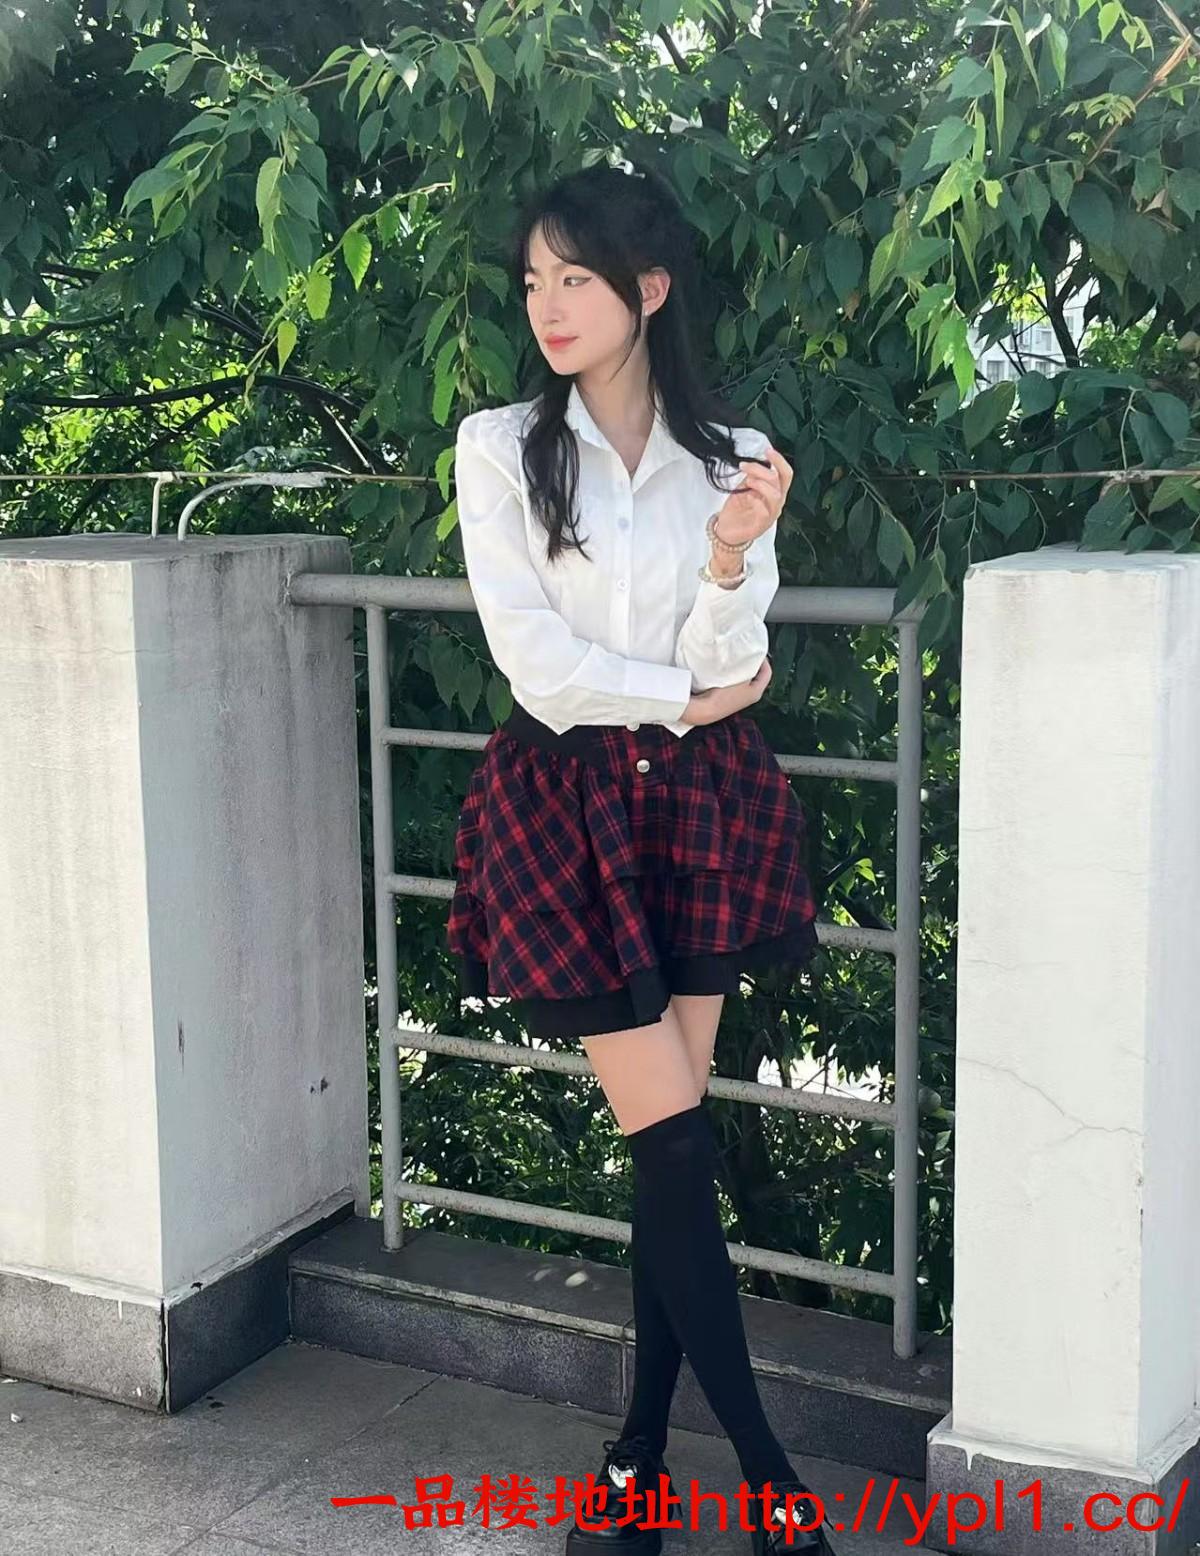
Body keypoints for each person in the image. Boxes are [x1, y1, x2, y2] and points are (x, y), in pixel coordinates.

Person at [446, 162, 835, 1556]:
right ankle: (775, 1488)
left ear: (648, 290)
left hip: (698, 812)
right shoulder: (500, 447)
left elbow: (735, 656)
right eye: (533, 281)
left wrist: (729, 559)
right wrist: (682, 698)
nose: (547, 306)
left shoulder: (735, 461)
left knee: (666, 1160)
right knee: (670, 1144)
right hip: (567, 810)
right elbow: (539, 669)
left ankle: (637, 1467)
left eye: (577, 279)